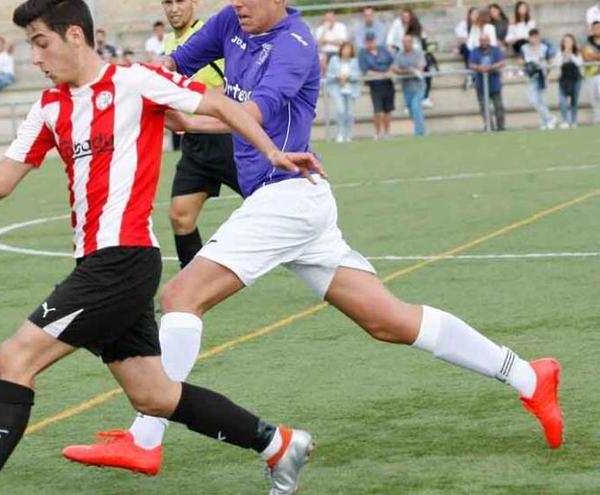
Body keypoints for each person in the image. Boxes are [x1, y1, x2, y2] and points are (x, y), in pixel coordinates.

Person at [63, 0, 563, 479]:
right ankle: (528, 376)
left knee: (179, 296)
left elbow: (251, 116)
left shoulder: (295, 45)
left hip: (285, 198)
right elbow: (170, 63)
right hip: (299, 200)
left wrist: (185, 113)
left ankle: (145, 440)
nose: (238, 4)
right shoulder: (227, 23)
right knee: (387, 320)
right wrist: (141, 85)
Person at [0, 1, 322, 494]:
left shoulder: (136, 82)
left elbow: (221, 105)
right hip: (103, 262)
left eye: (41, 42)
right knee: (155, 395)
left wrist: (272, 151)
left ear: (74, 35)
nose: (35, 57)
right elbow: (0, 181)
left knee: (15, 357)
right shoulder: (49, 107)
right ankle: (278, 444)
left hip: (122, 260)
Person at [155, 0, 241, 269]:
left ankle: (318, 256)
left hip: (227, 139)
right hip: (194, 143)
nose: (173, 8)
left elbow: (235, 90)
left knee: (271, 208)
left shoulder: (210, 37)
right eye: (167, 2)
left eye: (179, 1)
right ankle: (189, 284)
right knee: (180, 216)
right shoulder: (169, 43)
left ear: (195, 2)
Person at [359, 32, 395, 139]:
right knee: (377, 110)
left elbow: (392, 62)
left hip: (388, 82)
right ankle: (378, 133)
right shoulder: (363, 53)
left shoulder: (383, 50)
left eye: (372, 40)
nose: (371, 43)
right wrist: (380, 74)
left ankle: (387, 132)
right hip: (375, 84)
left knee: (388, 109)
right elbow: (365, 70)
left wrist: (388, 72)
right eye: (368, 41)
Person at [470, 33, 507, 131]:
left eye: (485, 40)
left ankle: (501, 127)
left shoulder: (495, 50)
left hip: (494, 84)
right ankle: (489, 126)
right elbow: (471, 64)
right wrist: (479, 67)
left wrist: (491, 67)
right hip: (481, 85)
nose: (483, 42)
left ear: (489, 40)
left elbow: (502, 62)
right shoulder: (475, 51)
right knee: (484, 108)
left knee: (499, 106)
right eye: (481, 40)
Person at [326, 41, 361, 142]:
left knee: (350, 114)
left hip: (351, 91)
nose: (347, 51)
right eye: (345, 48)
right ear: (341, 49)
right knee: (340, 111)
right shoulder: (334, 60)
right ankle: (340, 133)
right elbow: (329, 75)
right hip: (337, 90)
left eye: (349, 49)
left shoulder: (355, 61)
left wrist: (348, 77)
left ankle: (349, 135)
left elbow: (358, 76)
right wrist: (338, 77)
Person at [521, 28, 557, 130]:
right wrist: (529, 65)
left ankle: (546, 122)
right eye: (532, 37)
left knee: (543, 101)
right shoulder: (524, 48)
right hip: (531, 77)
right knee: (533, 100)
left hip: (542, 76)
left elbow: (549, 62)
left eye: (537, 37)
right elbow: (521, 60)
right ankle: (550, 118)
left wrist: (546, 71)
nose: (535, 39)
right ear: (529, 38)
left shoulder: (544, 48)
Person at [392, 35, 426, 136]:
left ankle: (420, 133)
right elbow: (394, 68)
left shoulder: (418, 53)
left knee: (416, 107)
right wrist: (409, 70)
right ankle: (419, 129)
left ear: (412, 42)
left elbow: (420, 68)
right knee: (412, 111)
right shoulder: (399, 55)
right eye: (404, 42)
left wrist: (405, 71)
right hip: (406, 88)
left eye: (408, 42)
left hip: (419, 87)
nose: (406, 44)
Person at [556, 34, 583, 128]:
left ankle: (574, 121)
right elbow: (557, 64)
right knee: (562, 101)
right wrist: (564, 55)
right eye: (565, 41)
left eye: (569, 41)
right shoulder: (560, 53)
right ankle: (564, 121)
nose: (567, 43)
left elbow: (579, 63)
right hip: (564, 79)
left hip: (575, 79)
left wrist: (570, 54)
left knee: (574, 101)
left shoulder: (577, 53)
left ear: (573, 42)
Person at [584, 21, 600, 124]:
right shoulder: (587, 43)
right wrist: (596, 57)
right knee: (593, 99)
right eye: (594, 28)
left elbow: (592, 56)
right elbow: (586, 57)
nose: (597, 30)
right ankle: (597, 120)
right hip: (590, 74)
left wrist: (594, 56)